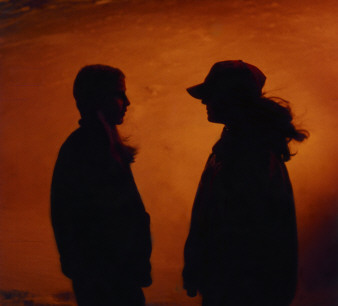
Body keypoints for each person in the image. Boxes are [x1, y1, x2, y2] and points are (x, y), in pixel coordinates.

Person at [183, 60, 308, 306]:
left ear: (233, 98)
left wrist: (202, 271)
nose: (203, 101)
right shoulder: (236, 146)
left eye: (211, 94)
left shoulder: (250, 155)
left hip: (241, 291)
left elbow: (242, 237)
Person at [51, 65, 152, 306]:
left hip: (113, 277)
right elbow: (82, 221)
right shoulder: (87, 149)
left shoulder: (103, 145)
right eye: (119, 94)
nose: (127, 101)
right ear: (97, 98)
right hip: (108, 281)